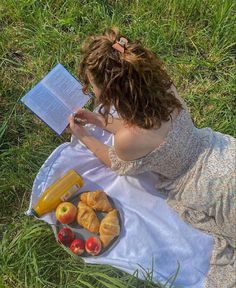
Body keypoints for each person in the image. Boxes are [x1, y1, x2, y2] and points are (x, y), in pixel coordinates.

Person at [68, 28, 236, 288]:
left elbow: (114, 159)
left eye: (92, 84)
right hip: (220, 152)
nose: (91, 89)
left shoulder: (127, 141)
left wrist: (83, 135)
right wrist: (100, 121)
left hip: (204, 187)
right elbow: (140, 125)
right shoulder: (163, 88)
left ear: (111, 91)